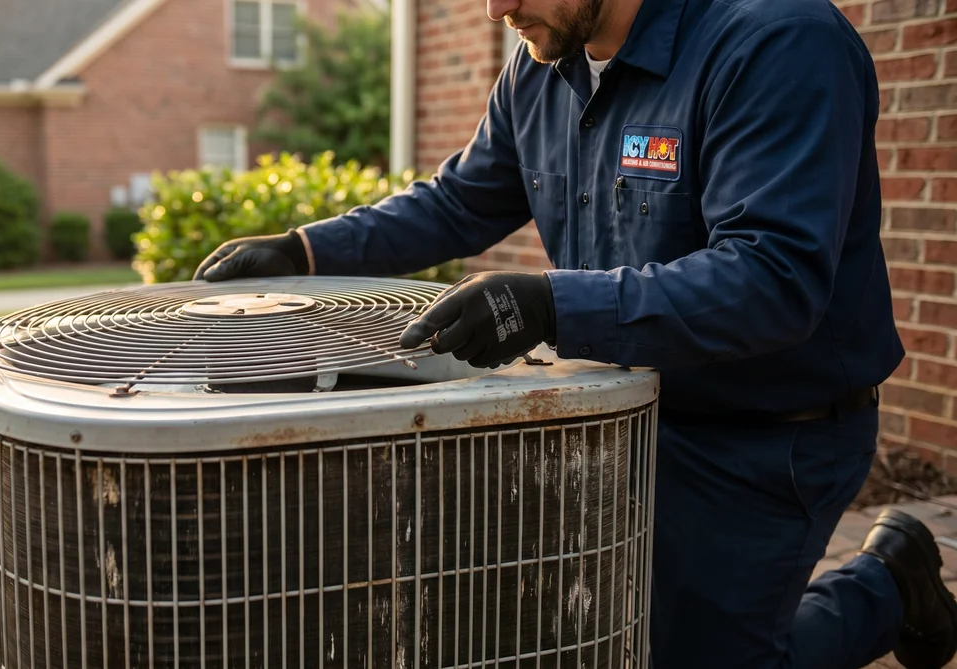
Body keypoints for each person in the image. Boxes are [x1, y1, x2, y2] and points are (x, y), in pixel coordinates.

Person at [193, 0, 957, 666]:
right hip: (626, 415)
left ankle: (888, 579)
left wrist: (553, 304)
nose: (497, 9)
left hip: (766, 438)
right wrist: (305, 250)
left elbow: (775, 279)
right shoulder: (541, 65)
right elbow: (458, 202)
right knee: (592, 630)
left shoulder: (777, 41)